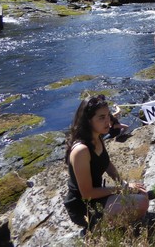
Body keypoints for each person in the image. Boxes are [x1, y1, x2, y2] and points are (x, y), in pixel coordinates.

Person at [63, 95, 149, 231]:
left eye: (108, 116)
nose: (108, 121)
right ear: (88, 120)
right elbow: (87, 193)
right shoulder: (81, 150)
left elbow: (107, 164)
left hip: (96, 196)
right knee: (141, 202)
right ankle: (100, 228)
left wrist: (123, 184)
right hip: (84, 206)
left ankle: (114, 222)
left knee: (142, 193)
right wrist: (121, 190)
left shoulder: (97, 137)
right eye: (101, 118)